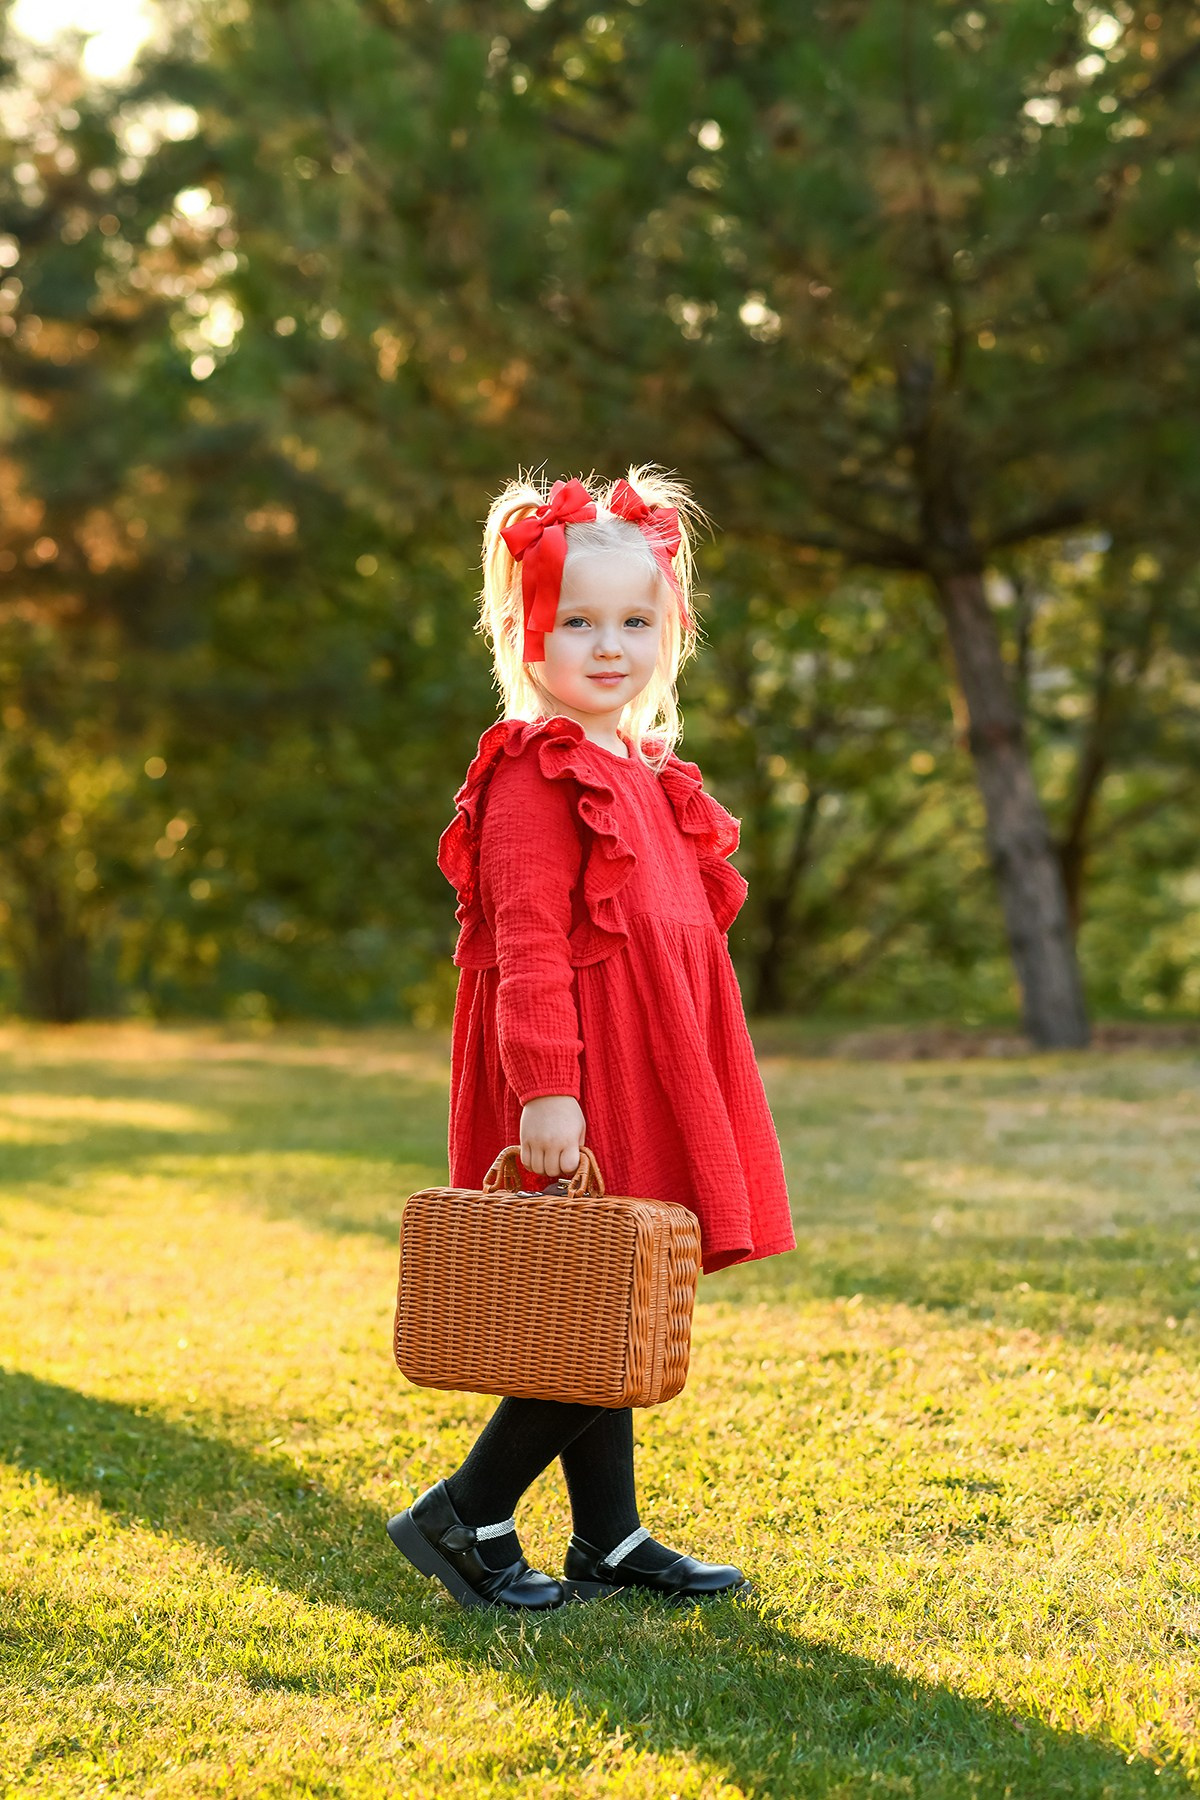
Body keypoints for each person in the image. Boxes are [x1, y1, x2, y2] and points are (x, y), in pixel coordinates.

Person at [387, 465, 796, 1612]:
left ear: (670, 630)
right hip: (580, 1064)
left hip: (660, 1058)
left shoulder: (648, 773)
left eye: (635, 621)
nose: (608, 646)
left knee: (608, 1282)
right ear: (525, 634)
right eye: (577, 621)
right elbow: (526, 947)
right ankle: (462, 1512)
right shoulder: (533, 774)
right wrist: (547, 1093)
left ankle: (606, 1538)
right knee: (596, 1297)